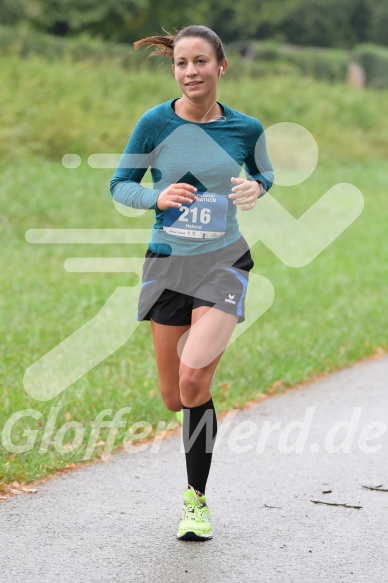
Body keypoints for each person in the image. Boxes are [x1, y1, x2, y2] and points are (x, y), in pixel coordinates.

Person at [110, 24, 273, 541]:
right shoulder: (155, 123)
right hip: (167, 264)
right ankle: (195, 431)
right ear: (173, 68)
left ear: (221, 67)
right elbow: (120, 184)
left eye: (200, 62)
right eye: (181, 63)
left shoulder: (246, 129)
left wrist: (255, 187)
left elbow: (264, 174)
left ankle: (196, 501)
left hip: (224, 261)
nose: (190, 72)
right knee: (174, 398)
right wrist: (154, 199)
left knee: (194, 378)